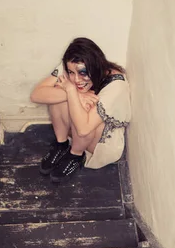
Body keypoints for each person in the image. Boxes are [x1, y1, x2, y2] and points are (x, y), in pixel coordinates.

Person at [30, 37, 131, 183]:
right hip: (80, 131)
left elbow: (83, 129)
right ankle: (61, 144)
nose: (76, 79)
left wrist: (72, 91)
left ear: (96, 66)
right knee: (58, 92)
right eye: (71, 73)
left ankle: (75, 155)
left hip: (102, 144)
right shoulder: (73, 63)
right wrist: (76, 94)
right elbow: (37, 94)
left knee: (78, 100)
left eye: (83, 73)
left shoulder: (116, 85)